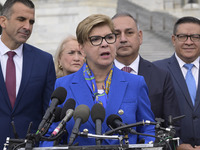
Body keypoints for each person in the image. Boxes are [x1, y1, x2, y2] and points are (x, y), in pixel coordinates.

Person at [40, 14, 155, 147]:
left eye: (109, 38)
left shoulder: (136, 83)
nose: (105, 44)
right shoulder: (63, 85)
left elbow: (148, 130)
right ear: (82, 48)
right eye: (96, 39)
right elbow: (50, 135)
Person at [0, 0, 56, 149]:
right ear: (3, 21)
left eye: (31, 22)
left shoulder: (44, 61)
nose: (27, 27)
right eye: (21, 19)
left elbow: (49, 113)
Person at [112, 13, 180, 130]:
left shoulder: (161, 76)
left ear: (140, 36)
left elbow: (172, 125)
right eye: (116, 34)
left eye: (129, 33)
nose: (123, 39)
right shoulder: (99, 75)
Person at [153, 16, 200, 149]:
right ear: (174, 39)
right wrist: (175, 145)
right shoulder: (156, 70)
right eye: (183, 36)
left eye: (195, 37)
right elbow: (151, 116)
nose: (189, 42)